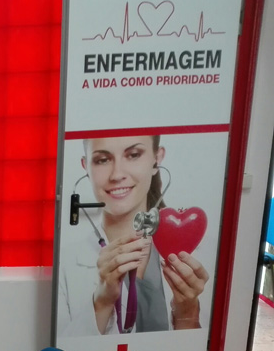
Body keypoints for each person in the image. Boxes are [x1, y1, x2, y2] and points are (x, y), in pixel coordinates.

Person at [58, 135, 210, 337]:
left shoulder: (200, 255)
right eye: (103, 160)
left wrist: (187, 312)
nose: (117, 174)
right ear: (86, 166)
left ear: (157, 158)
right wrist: (102, 302)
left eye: (133, 155)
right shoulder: (64, 263)